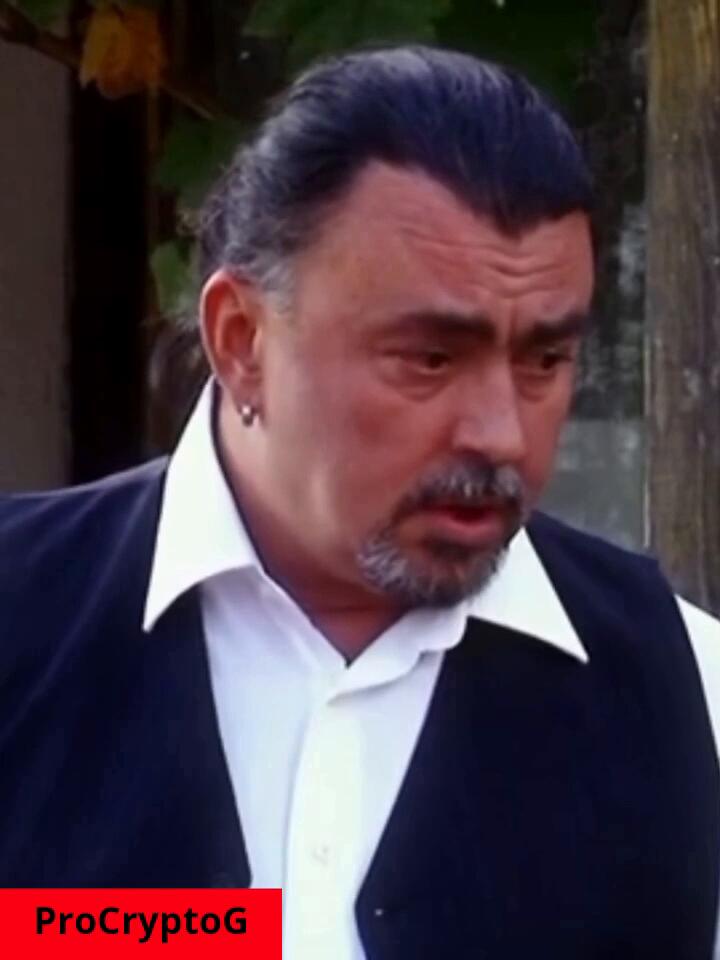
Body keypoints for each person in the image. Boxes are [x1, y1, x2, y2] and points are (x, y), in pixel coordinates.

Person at [1, 45, 719, 960]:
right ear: (241, 340)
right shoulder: (21, 615)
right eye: (430, 358)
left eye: (544, 360)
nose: (500, 434)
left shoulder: (688, 693)